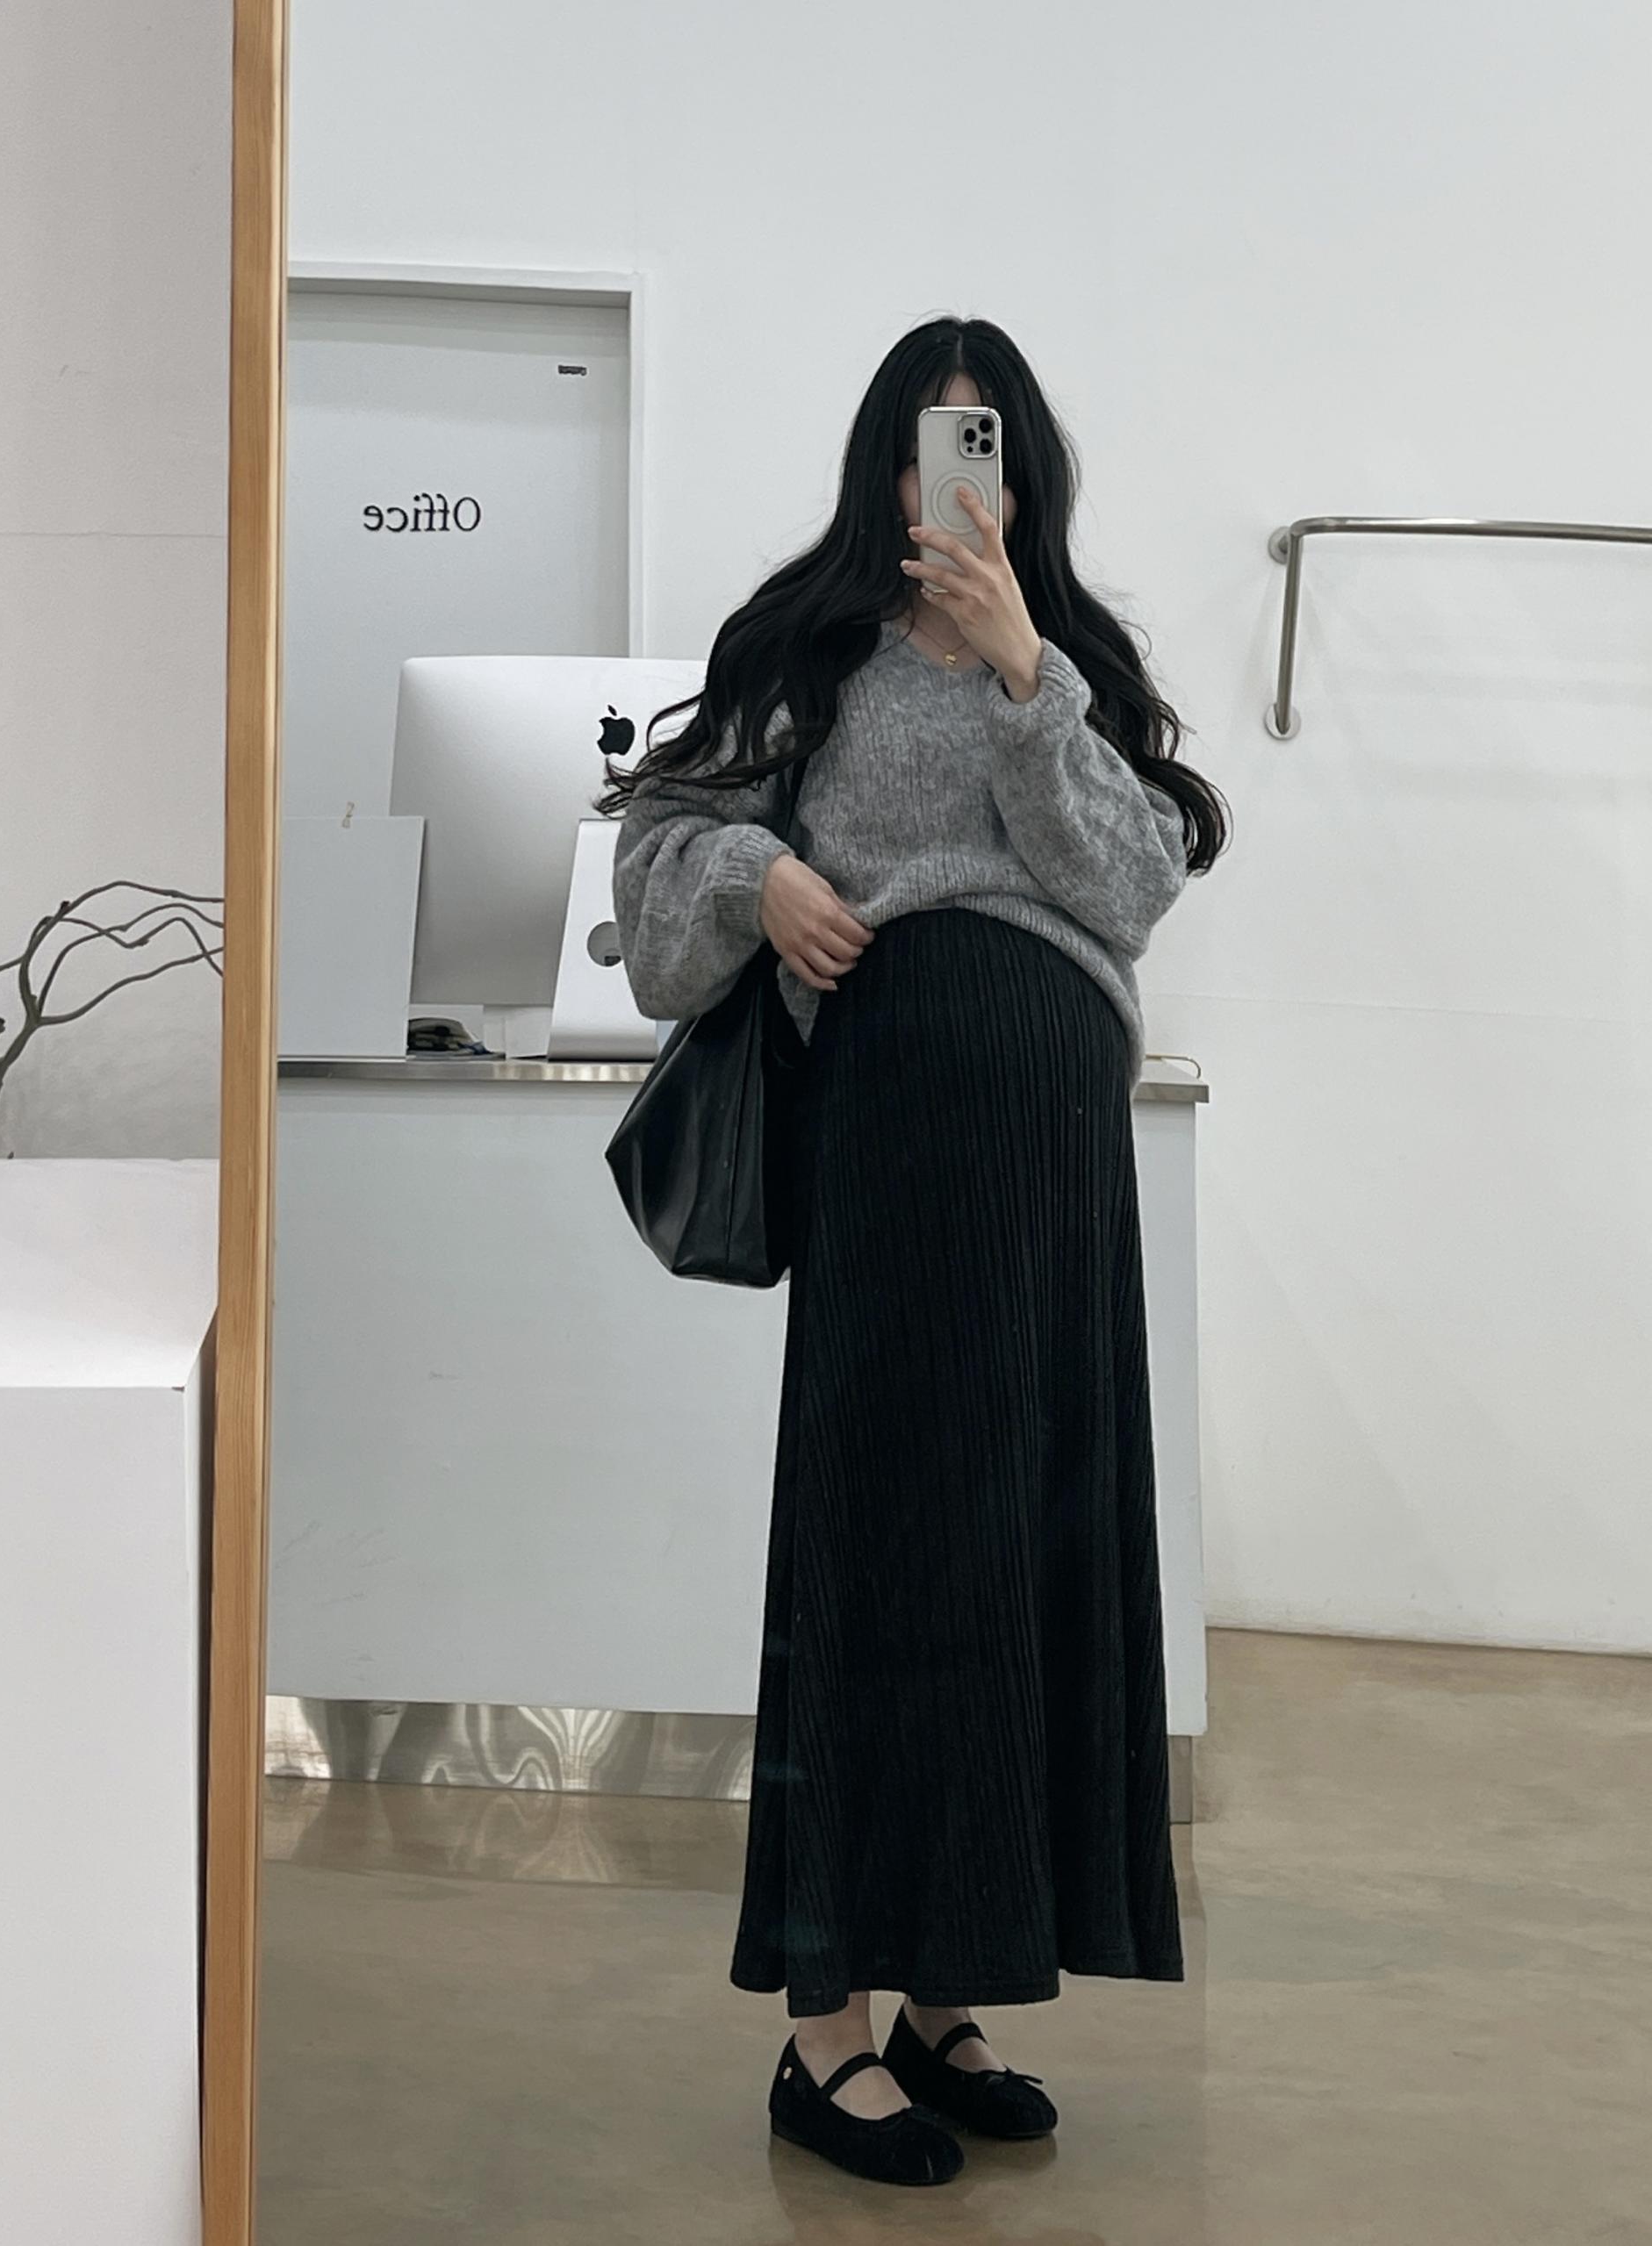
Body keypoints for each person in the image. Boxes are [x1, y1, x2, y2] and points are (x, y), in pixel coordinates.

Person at [599, 316, 1230, 2187]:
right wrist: (760, 875)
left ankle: (950, 1994)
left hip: (1056, 1183)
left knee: (1026, 1554)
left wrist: (1029, 670)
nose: (955, 482)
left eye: (988, 447)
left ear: (1025, 474)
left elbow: (1130, 886)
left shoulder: (1072, 661)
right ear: (883, 461)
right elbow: (655, 864)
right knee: (886, 1553)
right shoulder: (806, 650)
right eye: (928, 444)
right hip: (894, 1163)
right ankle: (823, 2029)